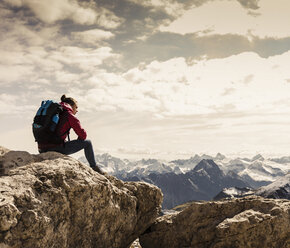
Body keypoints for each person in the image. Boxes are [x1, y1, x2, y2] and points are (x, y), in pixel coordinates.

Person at [38, 94, 103, 174]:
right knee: (88, 143)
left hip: (41, 148)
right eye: (76, 107)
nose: (77, 110)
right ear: (71, 106)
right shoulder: (69, 115)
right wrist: (79, 140)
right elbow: (83, 135)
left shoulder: (55, 112)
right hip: (54, 148)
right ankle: (94, 167)